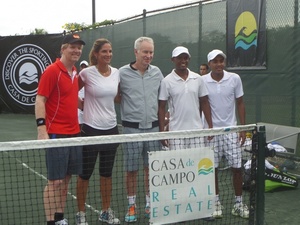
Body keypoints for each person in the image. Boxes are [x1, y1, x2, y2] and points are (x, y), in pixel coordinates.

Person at [35, 33, 85, 225]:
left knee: (65, 180)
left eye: (79, 47)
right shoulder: (52, 71)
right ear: (63, 49)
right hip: (56, 133)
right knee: (54, 181)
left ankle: (59, 218)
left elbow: (72, 101)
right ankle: (50, 222)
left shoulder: (75, 74)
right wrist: (42, 129)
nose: (76, 50)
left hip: (75, 133)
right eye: (72, 46)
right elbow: (40, 99)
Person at [117, 36, 164, 223]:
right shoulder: (122, 73)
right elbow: (114, 94)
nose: (149, 55)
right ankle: (131, 205)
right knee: (131, 170)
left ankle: (149, 203)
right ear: (136, 52)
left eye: (151, 52)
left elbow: (162, 98)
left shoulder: (157, 72)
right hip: (131, 130)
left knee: (150, 169)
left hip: (154, 128)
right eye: (145, 52)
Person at [75, 39, 120, 225]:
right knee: (85, 174)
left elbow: (117, 97)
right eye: (104, 52)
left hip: (111, 129)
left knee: (106, 174)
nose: (108, 55)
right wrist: (83, 107)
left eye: (110, 51)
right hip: (90, 130)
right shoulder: (86, 73)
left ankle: (105, 211)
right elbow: (72, 93)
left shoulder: (116, 73)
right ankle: (81, 213)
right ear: (95, 54)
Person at [202, 49, 248, 219]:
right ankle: (215, 202)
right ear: (209, 64)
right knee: (211, 169)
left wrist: (241, 128)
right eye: (215, 61)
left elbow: (240, 103)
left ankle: (238, 203)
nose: (219, 64)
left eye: (221, 61)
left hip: (231, 132)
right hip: (211, 133)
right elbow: (203, 104)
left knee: (237, 168)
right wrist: (208, 128)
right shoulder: (202, 81)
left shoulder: (234, 79)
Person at [158, 46, 213, 150]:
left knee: (197, 163)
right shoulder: (166, 81)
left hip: (196, 131)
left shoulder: (198, 78)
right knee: (179, 164)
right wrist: (162, 132)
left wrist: (210, 126)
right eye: (179, 58)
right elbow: (162, 107)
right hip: (176, 133)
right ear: (173, 60)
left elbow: (205, 102)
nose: (183, 61)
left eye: (185, 58)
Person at [78, 60, 88, 127]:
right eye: (82, 67)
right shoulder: (76, 78)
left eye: (85, 67)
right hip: (78, 108)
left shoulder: (91, 80)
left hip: (87, 107)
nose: (83, 68)